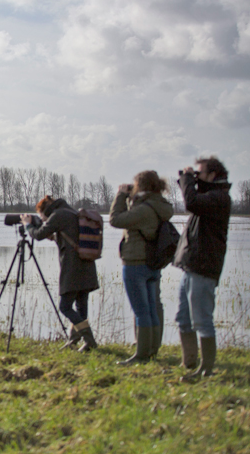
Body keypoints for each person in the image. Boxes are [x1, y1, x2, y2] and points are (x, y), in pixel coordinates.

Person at [174, 156, 231, 381]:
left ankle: (206, 370)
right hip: (192, 266)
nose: (196, 177)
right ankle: (189, 364)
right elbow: (193, 199)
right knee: (183, 317)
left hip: (204, 267)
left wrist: (188, 179)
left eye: (200, 173)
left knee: (202, 319)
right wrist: (186, 181)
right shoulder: (209, 196)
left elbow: (191, 202)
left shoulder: (219, 198)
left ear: (213, 175)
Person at [109, 170, 174, 364]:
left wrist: (121, 195)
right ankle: (151, 350)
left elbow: (115, 219)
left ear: (141, 185)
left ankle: (141, 355)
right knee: (152, 308)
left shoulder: (144, 209)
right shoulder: (159, 205)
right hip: (152, 264)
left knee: (141, 311)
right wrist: (132, 198)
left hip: (136, 263)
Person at [22, 195, 100, 352]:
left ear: (45, 211)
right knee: (81, 306)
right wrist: (56, 236)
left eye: (41, 216)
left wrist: (28, 225)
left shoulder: (58, 215)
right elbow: (70, 235)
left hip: (73, 268)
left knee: (65, 307)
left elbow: (38, 235)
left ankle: (89, 339)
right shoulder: (70, 211)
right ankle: (74, 340)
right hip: (86, 264)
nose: (42, 220)